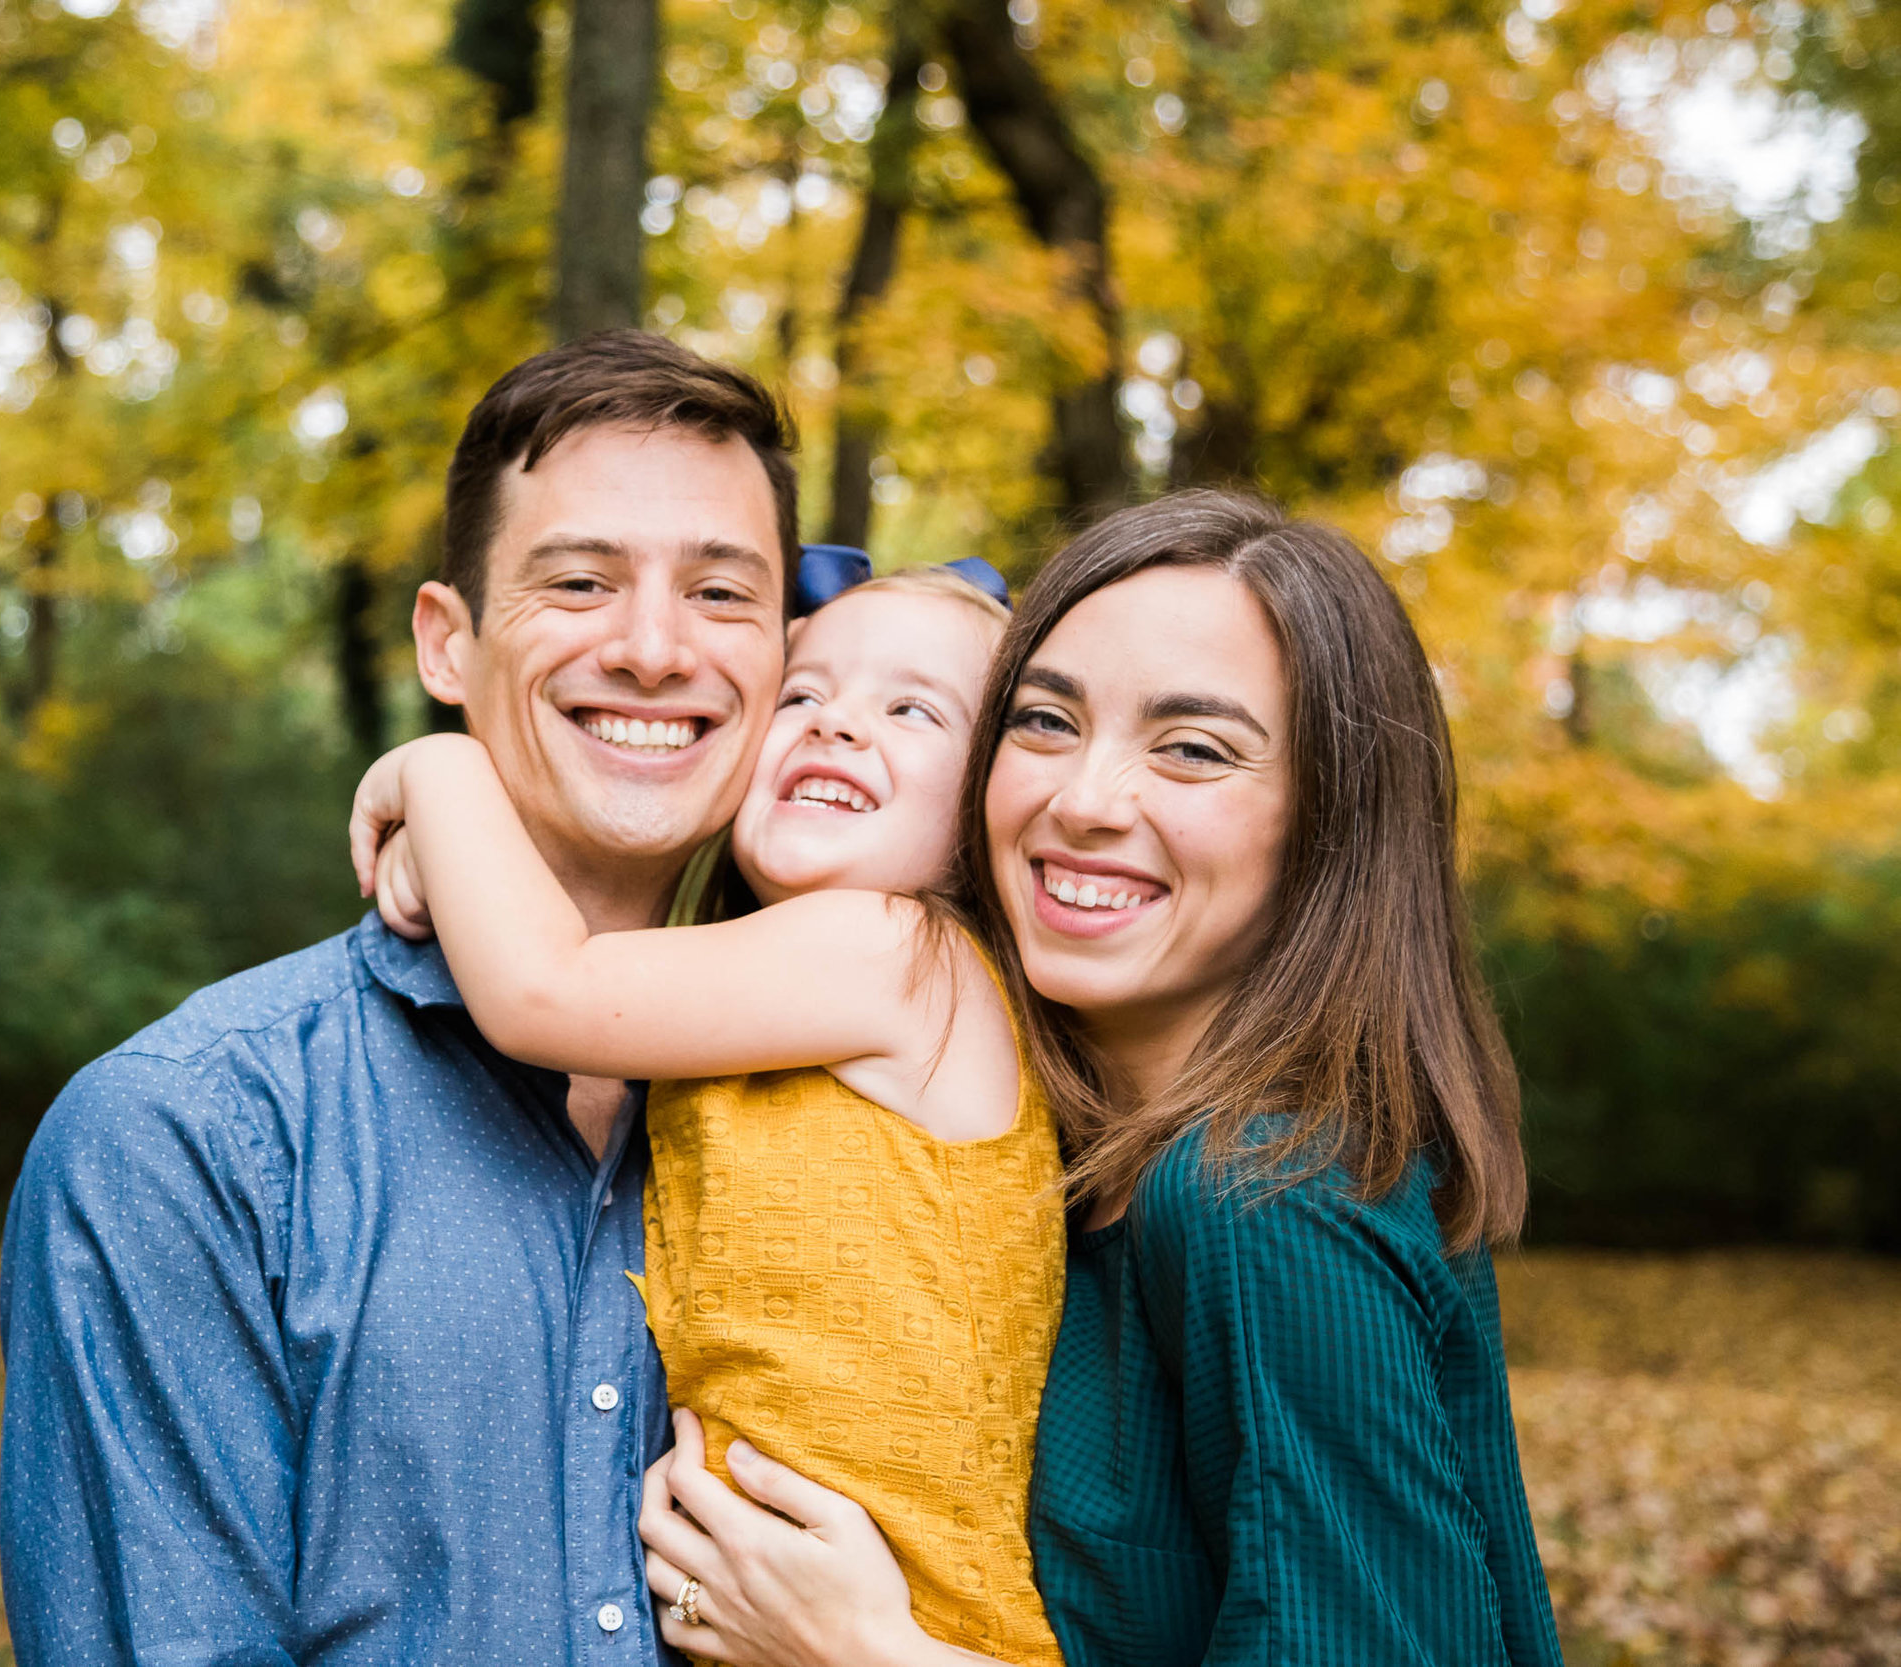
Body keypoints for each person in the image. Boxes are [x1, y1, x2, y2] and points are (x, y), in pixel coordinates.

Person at [636, 491, 1563, 1667]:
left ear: (1334, 819)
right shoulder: (1024, 1146)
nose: (1082, 799)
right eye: (1042, 721)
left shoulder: (1267, 1199)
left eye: (1192, 748)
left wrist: (865, 1650)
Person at [0, 329, 796, 1665]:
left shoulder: (874, 1098)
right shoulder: (185, 1139)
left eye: (722, 594)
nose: (656, 648)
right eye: (581, 580)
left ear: (784, 655)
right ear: (447, 639)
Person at [351, 563, 1065, 1667]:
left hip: (916, 1625)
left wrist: (443, 778)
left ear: (988, 803)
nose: (837, 724)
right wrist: (465, 870)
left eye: (911, 708)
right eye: (801, 693)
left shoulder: (898, 955)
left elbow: (545, 985)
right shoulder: (757, 993)